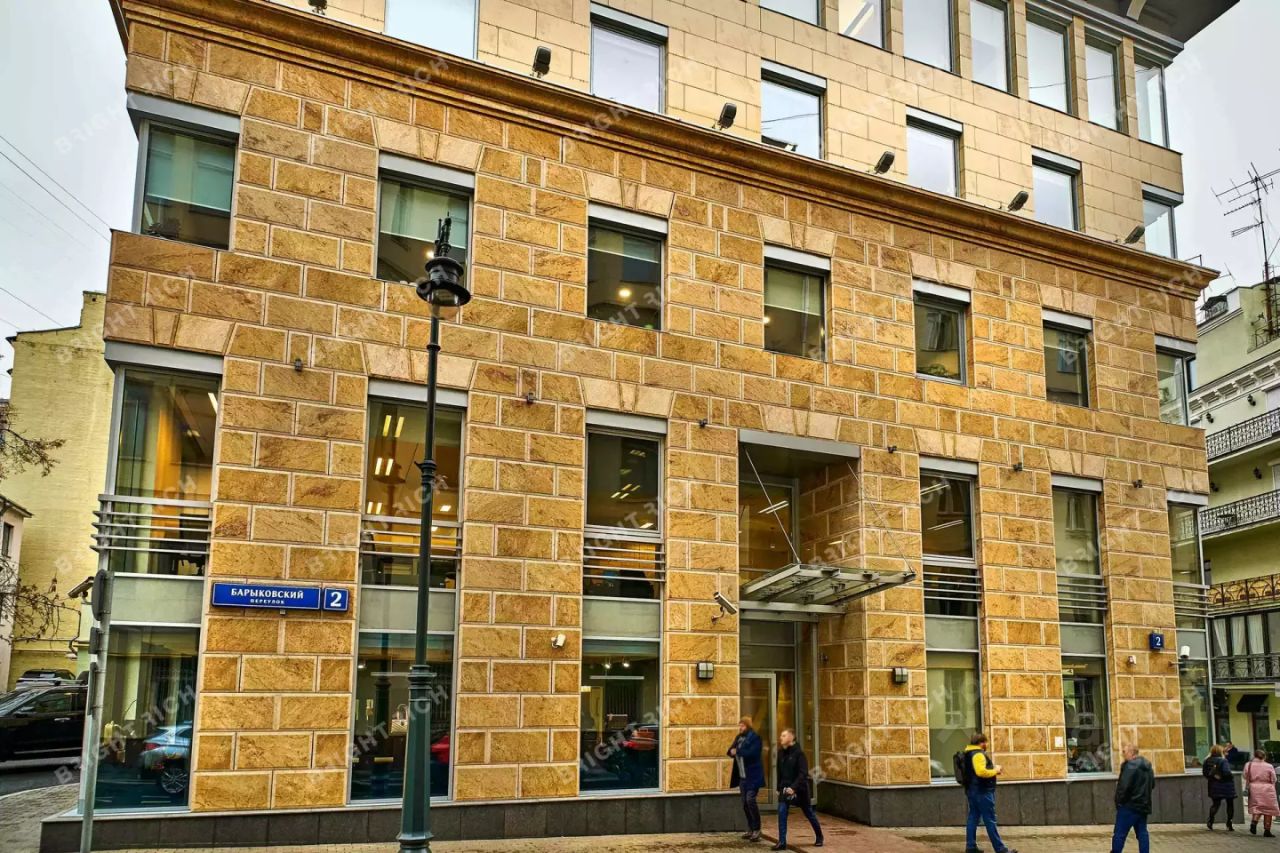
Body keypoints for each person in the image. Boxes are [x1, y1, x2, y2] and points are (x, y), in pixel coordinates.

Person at [962, 732, 1018, 853]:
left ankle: (971, 847)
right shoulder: (978, 754)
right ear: (981, 743)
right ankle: (1000, 849)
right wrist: (995, 770)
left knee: (973, 818)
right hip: (982, 792)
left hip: (972, 790)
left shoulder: (968, 753)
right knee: (990, 820)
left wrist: (992, 767)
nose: (986, 744)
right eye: (985, 742)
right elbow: (981, 772)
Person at [773, 728, 822, 851]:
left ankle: (819, 836)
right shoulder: (780, 753)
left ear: (791, 737)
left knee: (809, 813)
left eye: (784, 735)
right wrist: (778, 787)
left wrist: (794, 788)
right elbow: (779, 772)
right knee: (782, 812)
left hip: (800, 790)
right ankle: (782, 842)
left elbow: (803, 773)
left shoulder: (799, 754)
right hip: (785, 789)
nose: (781, 738)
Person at [1111, 744, 1155, 853]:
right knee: (1142, 833)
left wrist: (1119, 802)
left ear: (1131, 752)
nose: (1123, 754)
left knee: (1119, 834)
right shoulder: (1148, 766)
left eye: (1124, 752)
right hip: (1143, 806)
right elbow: (1152, 784)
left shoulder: (1130, 766)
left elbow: (1123, 787)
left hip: (1129, 806)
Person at [728, 716, 765, 842]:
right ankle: (751, 828)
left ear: (748, 726)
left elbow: (753, 753)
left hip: (753, 776)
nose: (740, 727)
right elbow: (730, 750)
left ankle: (757, 829)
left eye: (742, 725)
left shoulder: (755, 738)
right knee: (745, 803)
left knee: (750, 800)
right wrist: (732, 751)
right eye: (739, 725)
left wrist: (737, 751)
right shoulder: (739, 738)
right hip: (742, 777)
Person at [1244, 748, 1279, 837]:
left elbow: (1245, 776)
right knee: (1268, 809)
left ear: (1254, 756)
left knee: (1257, 807)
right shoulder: (1269, 766)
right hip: (1268, 789)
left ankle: (1254, 822)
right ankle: (1267, 830)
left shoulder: (1249, 765)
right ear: (1264, 756)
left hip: (1254, 788)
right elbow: (1274, 779)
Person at [1204, 744, 1238, 831]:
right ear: (1220, 751)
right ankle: (1229, 823)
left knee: (1215, 804)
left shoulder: (1207, 760)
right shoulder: (1223, 761)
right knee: (1230, 804)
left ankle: (1210, 820)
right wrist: (1230, 777)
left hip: (1213, 785)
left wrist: (1213, 778)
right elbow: (1227, 773)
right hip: (1226, 786)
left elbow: (1205, 773)